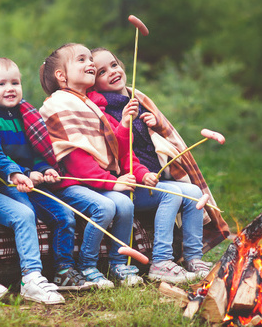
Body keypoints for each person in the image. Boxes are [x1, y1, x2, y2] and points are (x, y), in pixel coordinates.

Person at [89, 47, 223, 280]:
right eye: (102, 72)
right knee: (171, 195)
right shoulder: (103, 111)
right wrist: (126, 124)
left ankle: (193, 258)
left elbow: (156, 140)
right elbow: (120, 153)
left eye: (114, 64)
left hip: (153, 177)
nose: (112, 71)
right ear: (94, 83)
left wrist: (155, 124)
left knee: (193, 193)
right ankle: (161, 261)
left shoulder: (136, 99)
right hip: (131, 184)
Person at [0, 57, 91, 291]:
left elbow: (38, 150)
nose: (10, 88)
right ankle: (29, 273)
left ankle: (63, 269)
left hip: (33, 181)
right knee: (25, 212)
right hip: (7, 183)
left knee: (64, 216)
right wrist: (25, 173)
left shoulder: (26, 114)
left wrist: (44, 169)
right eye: (1, 84)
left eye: (15, 83)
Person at [38, 43, 144, 287]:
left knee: (125, 204)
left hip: (94, 180)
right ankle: (87, 265)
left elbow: (114, 147)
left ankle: (118, 264)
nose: (90, 64)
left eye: (90, 59)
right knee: (105, 206)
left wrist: (124, 124)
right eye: (82, 59)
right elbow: (75, 161)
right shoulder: (57, 104)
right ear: (61, 75)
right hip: (69, 183)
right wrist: (113, 182)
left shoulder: (91, 105)